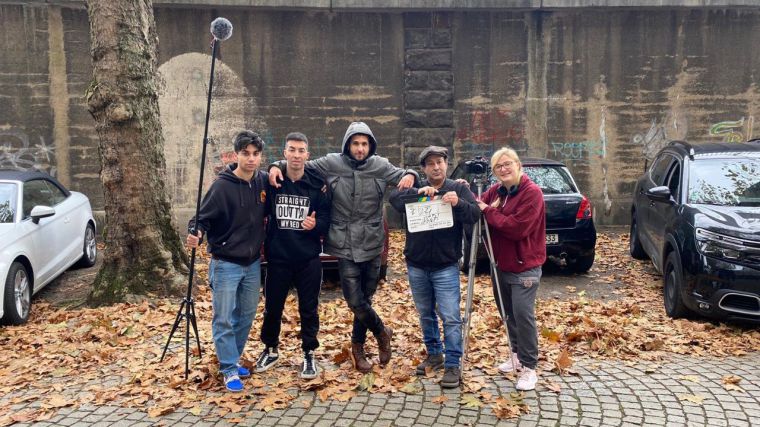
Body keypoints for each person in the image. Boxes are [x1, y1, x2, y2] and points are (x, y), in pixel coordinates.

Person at [269, 121, 418, 373]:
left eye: (364, 144)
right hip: (344, 241)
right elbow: (300, 164)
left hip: (372, 241)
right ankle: (382, 331)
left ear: (370, 146)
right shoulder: (331, 163)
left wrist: (411, 174)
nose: (360, 149)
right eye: (355, 143)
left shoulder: (380, 165)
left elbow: (404, 175)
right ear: (347, 145)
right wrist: (275, 165)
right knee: (354, 300)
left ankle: (357, 349)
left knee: (366, 298)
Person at [389, 146, 480, 388]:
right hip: (417, 264)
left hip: (446, 266)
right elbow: (394, 199)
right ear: (424, 169)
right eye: (430, 163)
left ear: (446, 164)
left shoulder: (458, 188)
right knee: (425, 314)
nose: (436, 167)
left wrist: (458, 202)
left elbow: (475, 214)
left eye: (440, 162)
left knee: (450, 316)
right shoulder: (416, 188)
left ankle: (453, 364)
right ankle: (434, 354)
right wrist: (418, 191)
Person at [186, 131, 268, 393]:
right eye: (246, 154)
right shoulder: (222, 186)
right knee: (223, 318)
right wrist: (195, 231)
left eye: (256, 154)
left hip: (253, 263)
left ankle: (232, 358)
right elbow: (202, 218)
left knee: (245, 315)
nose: (251, 159)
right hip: (225, 263)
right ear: (236, 155)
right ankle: (229, 368)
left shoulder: (263, 182)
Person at [254, 132, 330, 379]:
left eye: (301, 151)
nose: (296, 155)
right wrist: (273, 167)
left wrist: (315, 226)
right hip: (278, 258)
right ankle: (271, 348)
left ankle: (309, 352)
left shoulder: (317, 184)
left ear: (308, 155)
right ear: (284, 153)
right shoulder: (272, 181)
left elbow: (328, 219)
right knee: (273, 307)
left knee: (309, 309)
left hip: (308, 258)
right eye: (292, 150)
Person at [477, 147, 546, 391]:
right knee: (508, 314)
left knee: (523, 316)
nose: (504, 169)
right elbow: (478, 203)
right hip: (501, 265)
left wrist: (488, 211)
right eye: (498, 167)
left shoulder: (531, 193)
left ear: (518, 165)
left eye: (508, 164)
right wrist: (465, 189)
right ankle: (516, 354)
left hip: (524, 266)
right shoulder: (498, 191)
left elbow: (517, 228)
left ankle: (529, 367)